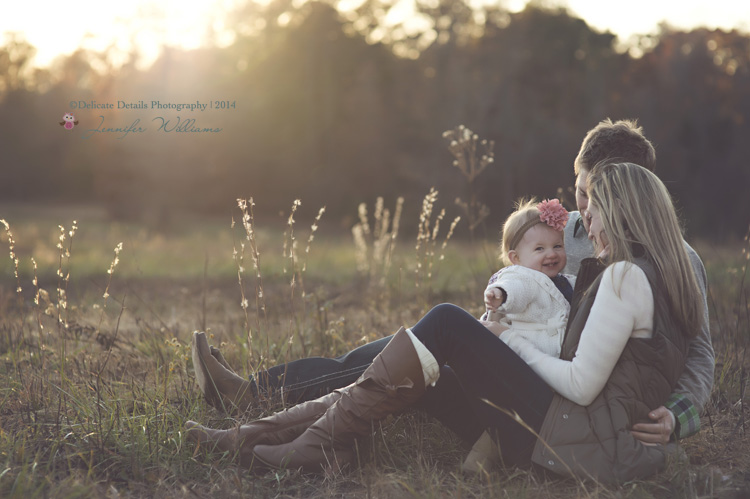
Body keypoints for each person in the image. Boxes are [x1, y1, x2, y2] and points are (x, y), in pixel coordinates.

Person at [191, 118, 713, 447]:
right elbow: (518, 283)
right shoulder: (565, 232)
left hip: (569, 393)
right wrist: (492, 318)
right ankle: (252, 393)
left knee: (426, 340)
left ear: (629, 192)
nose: (583, 211)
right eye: (579, 191)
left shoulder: (670, 259)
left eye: (593, 197)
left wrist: (678, 418)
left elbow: (698, 354)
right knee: (392, 348)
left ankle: (293, 433)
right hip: (529, 357)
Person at [480, 197, 575, 357]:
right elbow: (516, 289)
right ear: (516, 258)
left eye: (557, 246)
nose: (551, 254)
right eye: (539, 249)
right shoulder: (521, 277)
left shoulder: (567, 281)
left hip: (553, 360)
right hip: (521, 356)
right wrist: (502, 295)